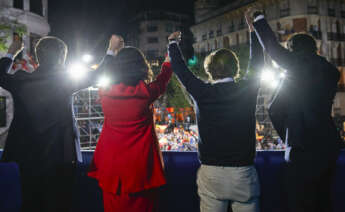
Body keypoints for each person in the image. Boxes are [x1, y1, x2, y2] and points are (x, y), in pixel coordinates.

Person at [0, 34, 123, 212]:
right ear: (61, 57)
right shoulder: (64, 80)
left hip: (27, 156)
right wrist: (111, 49)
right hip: (60, 156)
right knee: (59, 204)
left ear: (37, 57)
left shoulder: (21, 79)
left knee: (30, 202)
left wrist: (12, 51)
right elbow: (99, 73)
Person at [167, 10, 264, 212]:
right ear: (236, 69)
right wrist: (253, 30)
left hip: (211, 173)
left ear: (209, 71)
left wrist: (172, 43)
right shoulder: (247, 89)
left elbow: (180, 69)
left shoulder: (202, 91)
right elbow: (258, 62)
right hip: (243, 173)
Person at [249, 8, 342, 212]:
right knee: (324, 199)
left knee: (300, 202)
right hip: (328, 144)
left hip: (303, 147)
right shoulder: (330, 71)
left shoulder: (298, 64)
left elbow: (272, 49)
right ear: (314, 48)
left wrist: (258, 18)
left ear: (294, 50)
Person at [88, 47, 172, 212]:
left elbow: (98, 74)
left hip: (111, 167)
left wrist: (111, 50)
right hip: (139, 168)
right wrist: (170, 55)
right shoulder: (147, 93)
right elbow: (163, 78)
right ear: (141, 67)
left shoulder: (104, 92)